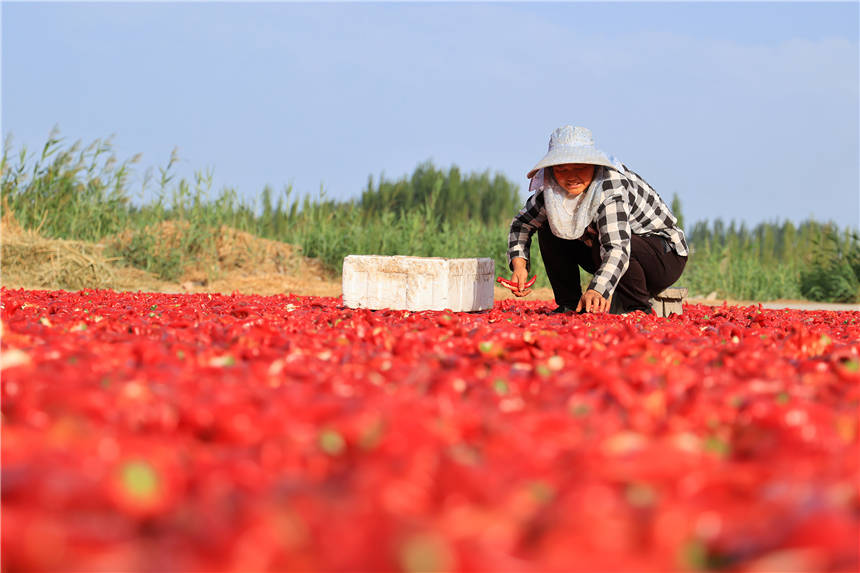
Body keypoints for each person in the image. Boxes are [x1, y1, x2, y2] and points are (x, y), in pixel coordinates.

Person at [505, 125, 688, 314]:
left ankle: (638, 308)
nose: (571, 177)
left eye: (580, 167)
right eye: (562, 169)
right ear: (552, 170)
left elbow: (617, 248)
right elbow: (522, 224)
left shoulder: (610, 186)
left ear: (593, 165)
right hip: (607, 254)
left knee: (606, 242)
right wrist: (520, 265)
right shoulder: (551, 190)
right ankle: (569, 305)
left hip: (661, 256)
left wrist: (597, 289)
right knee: (549, 227)